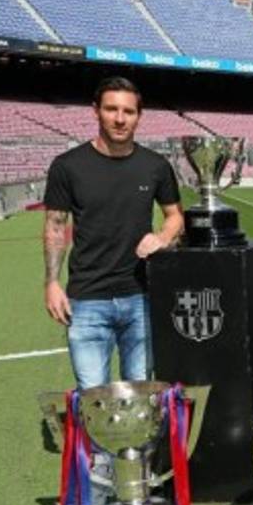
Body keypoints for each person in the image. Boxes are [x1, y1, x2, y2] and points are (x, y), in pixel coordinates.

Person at [43, 76, 183, 390]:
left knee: (141, 392)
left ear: (138, 116)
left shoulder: (156, 165)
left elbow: (175, 217)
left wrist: (161, 238)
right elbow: (55, 225)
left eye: (128, 112)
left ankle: (137, 443)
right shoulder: (68, 166)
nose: (120, 119)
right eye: (111, 109)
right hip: (87, 299)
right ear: (96, 111)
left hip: (141, 297)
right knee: (93, 394)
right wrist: (52, 282)